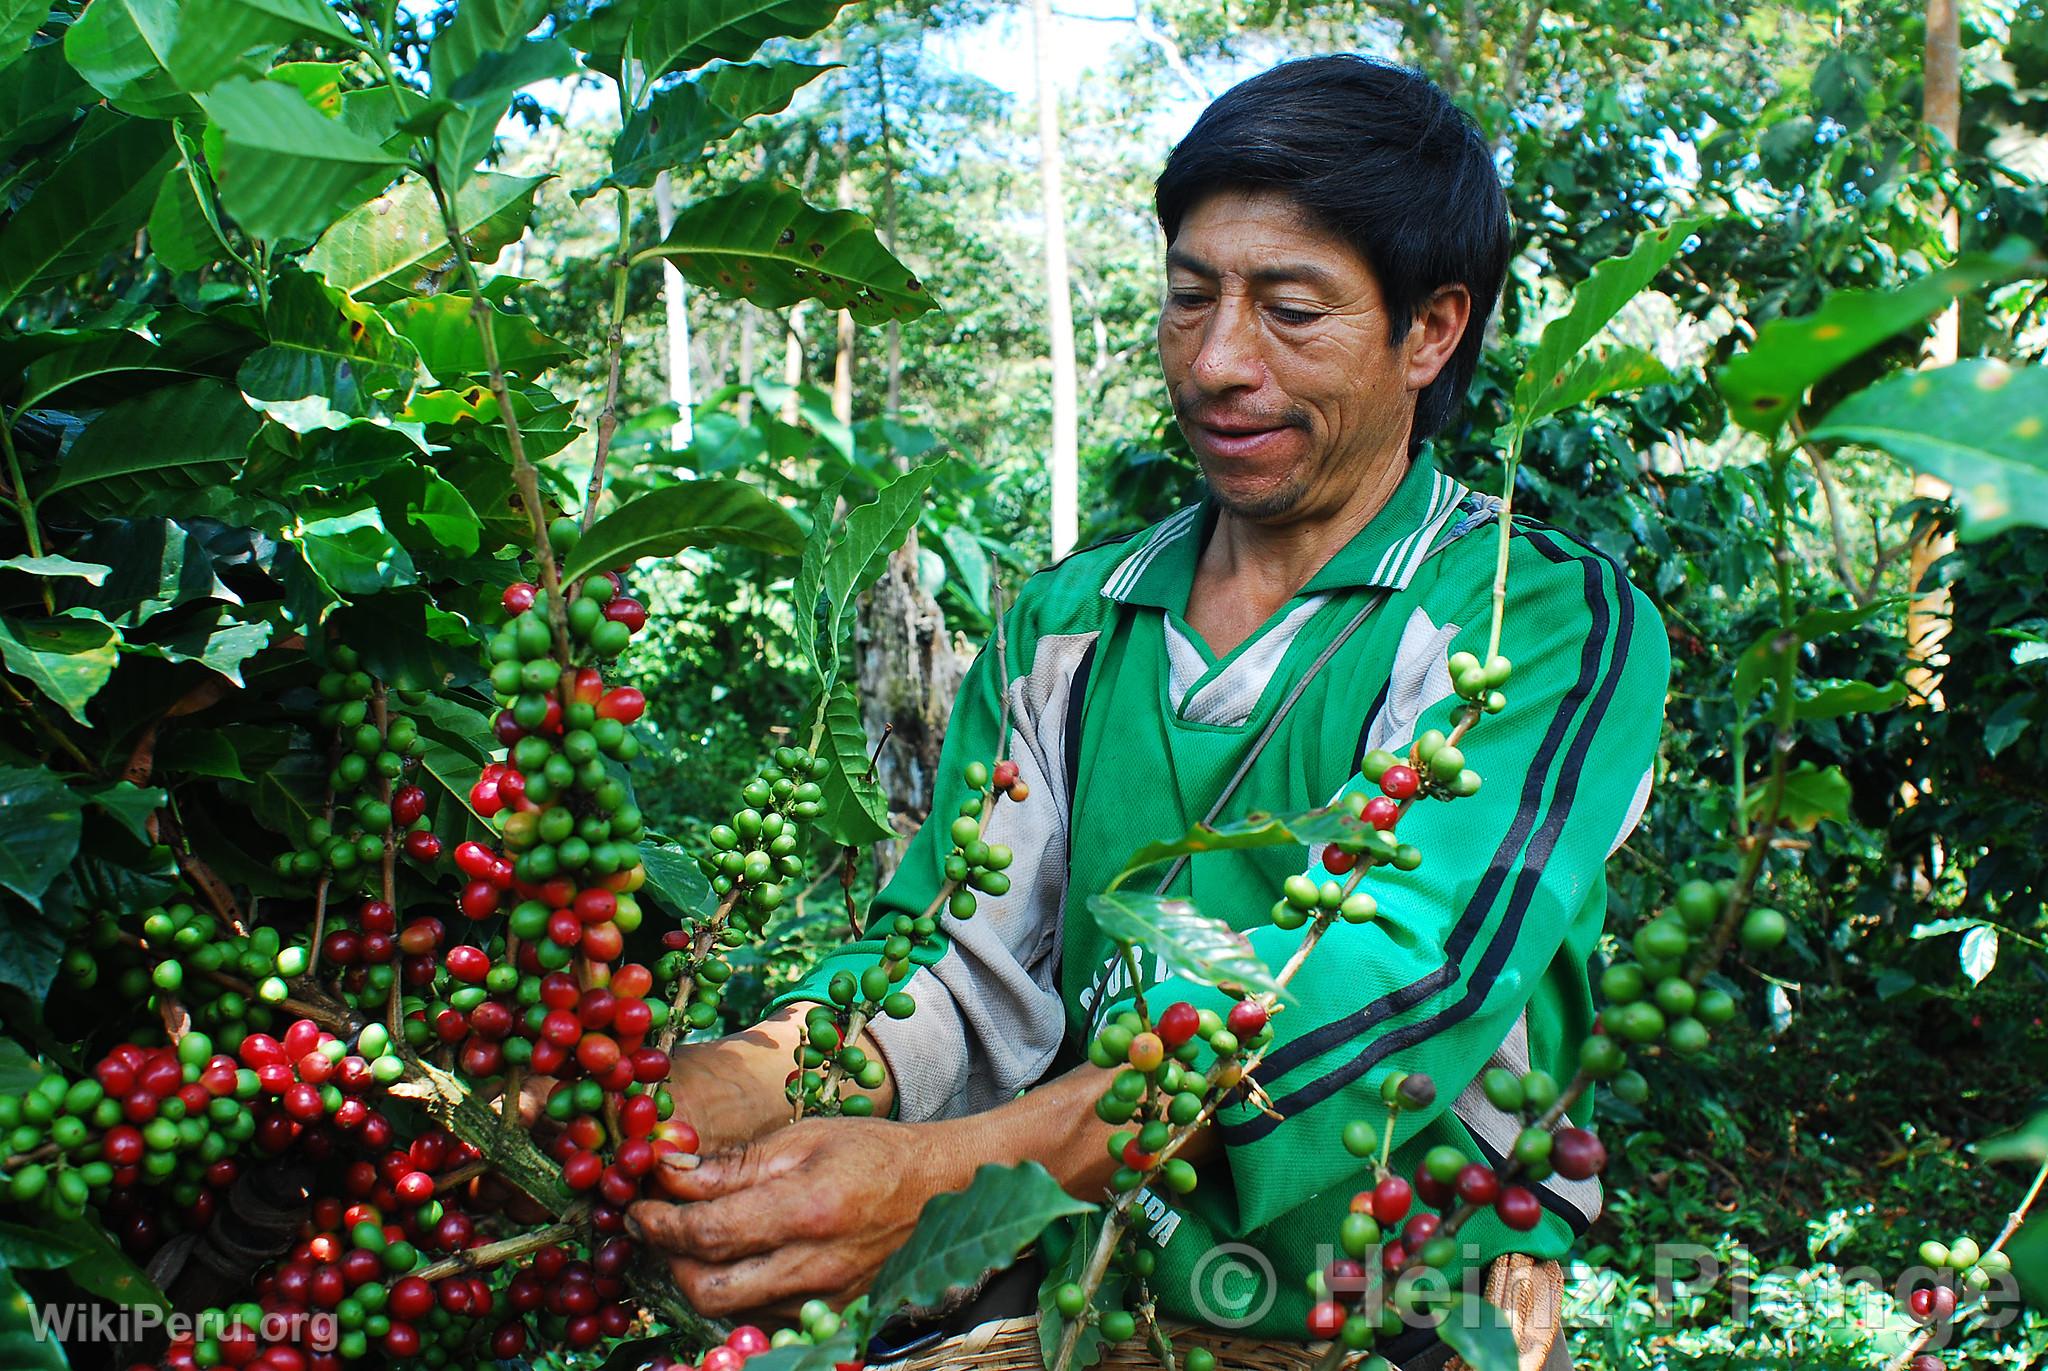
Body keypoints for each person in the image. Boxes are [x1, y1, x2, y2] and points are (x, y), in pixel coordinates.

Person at [626, 53, 1669, 1360]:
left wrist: (947, 1170)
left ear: (1433, 330)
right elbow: (956, 966)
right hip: (1086, 1307)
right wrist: (727, 1087)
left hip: (1391, 1317)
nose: (1219, 362)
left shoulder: (1529, 618)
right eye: (1190, 299)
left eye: (1291, 310)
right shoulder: (1066, 628)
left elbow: (1396, 975)